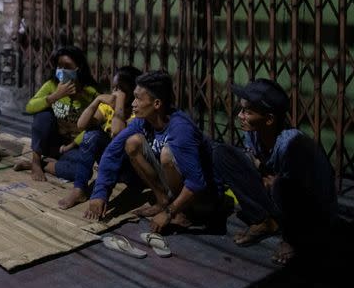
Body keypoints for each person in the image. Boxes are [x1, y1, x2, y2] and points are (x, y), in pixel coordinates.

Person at [212, 78, 337, 265]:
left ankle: (292, 238)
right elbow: (256, 162)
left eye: (247, 112)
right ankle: (263, 221)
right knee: (221, 153)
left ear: (269, 119)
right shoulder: (253, 132)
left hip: (312, 211)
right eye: (241, 110)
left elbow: (309, 192)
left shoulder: (292, 144)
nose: (240, 116)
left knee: (282, 185)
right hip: (277, 196)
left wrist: (275, 181)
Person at [84, 71, 221, 234]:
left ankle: (182, 213)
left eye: (138, 99)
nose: (133, 104)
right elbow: (112, 151)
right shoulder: (143, 121)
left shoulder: (180, 129)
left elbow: (197, 183)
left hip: (203, 197)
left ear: (156, 104)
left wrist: (169, 213)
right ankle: (163, 201)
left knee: (166, 155)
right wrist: (100, 193)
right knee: (131, 143)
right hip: (180, 186)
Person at [16, 65, 141, 209]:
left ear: (132, 92)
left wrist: (119, 103)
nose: (114, 93)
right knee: (83, 150)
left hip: (125, 168)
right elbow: (82, 125)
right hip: (104, 163)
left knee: (92, 138)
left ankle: (76, 186)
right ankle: (52, 173)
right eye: (113, 88)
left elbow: (118, 133)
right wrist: (97, 101)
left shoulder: (136, 112)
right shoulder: (108, 107)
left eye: (119, 89)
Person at [17, 46, 98, 181]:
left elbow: (95, 125)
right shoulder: (52, 85)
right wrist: (55, 96)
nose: (61, 70)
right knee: (43, 115)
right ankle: (36, 161)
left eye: (67, 66)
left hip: (73, 147)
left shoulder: (91, 92)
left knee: (82, 171)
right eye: (59, 66)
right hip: (51, 144)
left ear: (79, 68)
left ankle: (43, 165)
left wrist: (70, 146)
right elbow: (30, 107)